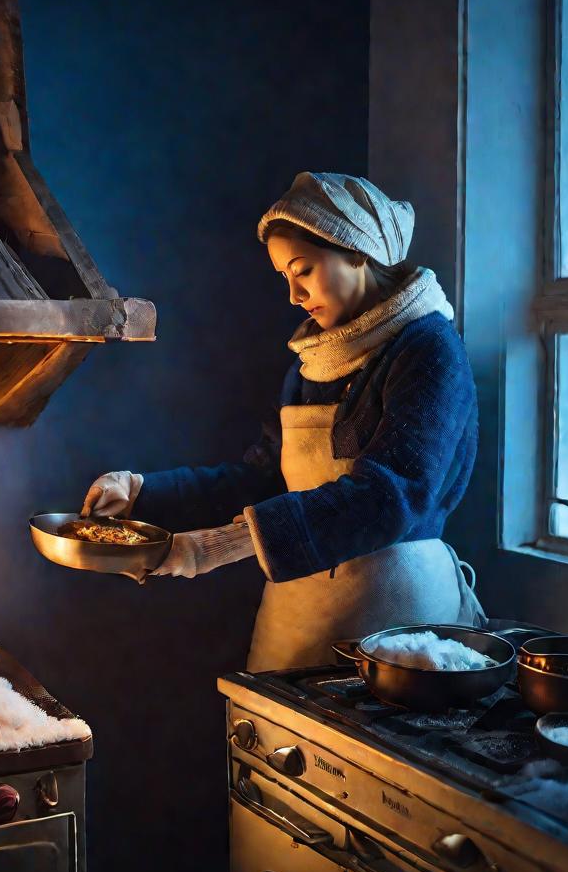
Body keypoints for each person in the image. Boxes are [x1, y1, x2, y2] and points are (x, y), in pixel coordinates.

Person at [81, 172, 484, 670]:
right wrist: (145, 494)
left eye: (304, 270)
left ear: (357, 250)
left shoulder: (427, 349)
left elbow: (392, 496)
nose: (294, 295)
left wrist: (222, 545)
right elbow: (266, 479)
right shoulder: (311, 361)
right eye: (284, 277)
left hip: (397, 619)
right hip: (299, 612)